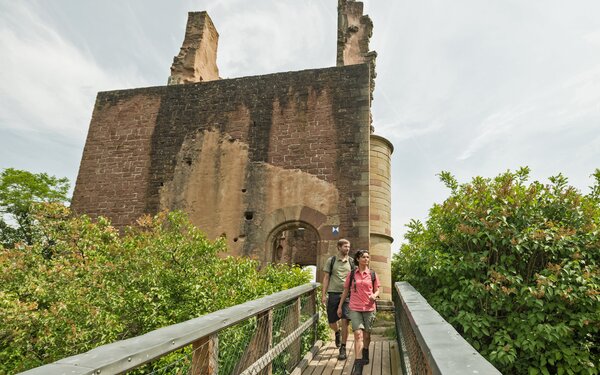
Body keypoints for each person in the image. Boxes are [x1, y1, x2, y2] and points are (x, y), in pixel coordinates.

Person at [337, 249, 380, 375]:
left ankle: (365, 350)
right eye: (363, 257)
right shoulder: (352, 274)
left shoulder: (372, 274)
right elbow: (345, 291)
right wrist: (340, 306)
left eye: (367, 257)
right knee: (358, 335)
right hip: (354, 307)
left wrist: (374, 295)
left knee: (366, 335)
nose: (366, 259)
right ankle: (358, 364)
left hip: (369, 308)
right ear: (357, 259)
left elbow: (377, 290)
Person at [321, 238, 354, 360]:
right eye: (345, 246)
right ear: (339, 247)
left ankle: (343, 348)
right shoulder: (332, 260)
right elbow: (326, 278)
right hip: (333, 293)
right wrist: (323, 294)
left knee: (345, 320)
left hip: (348, 295)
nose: (348, 248)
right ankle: (337, 332)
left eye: (349, 246)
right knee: (331, 322)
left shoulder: (351, 262)